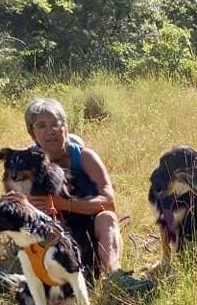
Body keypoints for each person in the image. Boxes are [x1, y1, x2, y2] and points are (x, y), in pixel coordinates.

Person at [23, 97, 150, 292]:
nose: (51, 130)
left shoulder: (84, 156)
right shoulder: (26, 166)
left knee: (107, 218)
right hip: (56, 228)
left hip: (90, 220)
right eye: (41, 125)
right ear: (32, 134)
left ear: (66, 126)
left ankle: (114, 276)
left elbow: (108, 203)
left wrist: (63, 203)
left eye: (56, 123)